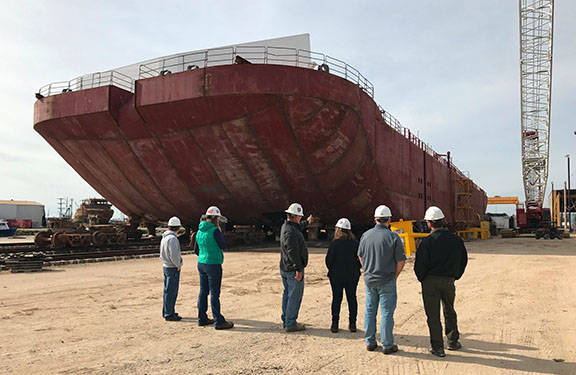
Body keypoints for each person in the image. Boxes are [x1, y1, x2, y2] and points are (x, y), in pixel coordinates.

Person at [414, 206, 468, 358]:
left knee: (433, 315)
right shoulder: (456, 240)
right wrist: (456, 276)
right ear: (443, 221)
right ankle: (452, 341)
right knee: (449, 310)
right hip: (448, 280)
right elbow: (463, 260)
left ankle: (437, 348)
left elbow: (419, 265)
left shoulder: (427, 242)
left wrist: (423, 279)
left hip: (430, 282)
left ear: (429, 223)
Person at [358, 205, 406, 354]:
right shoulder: (393, 237)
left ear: (375, 219)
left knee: (370, 310)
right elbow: (401, 261)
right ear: (389, 220)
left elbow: (360, 256)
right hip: (387, 280)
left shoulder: (365, 235)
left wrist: (368, 269)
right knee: (386, 313)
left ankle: (370, 342)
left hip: (369, 279)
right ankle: (387, 345)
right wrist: (395, 276)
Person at [195, 206, 234, 330]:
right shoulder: (215, 231)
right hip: (213, 264)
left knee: (203, 291)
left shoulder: (199, 231)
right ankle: (219, 321)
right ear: (217, 218)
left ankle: (202, 318)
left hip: (201, 263)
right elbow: (223, 245)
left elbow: (196, 250)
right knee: (214, 293)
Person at [325, 218, 361, 333]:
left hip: (336, 276)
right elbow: (360, 260)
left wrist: (333, 270)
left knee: (336, 299)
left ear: (338, 230)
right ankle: (352, 324)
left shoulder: (334, 244)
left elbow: (328, 261)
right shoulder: (356, 243)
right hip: (352, 276)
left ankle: (335, 324)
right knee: (352, 298)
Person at [280, 203, 309, 332]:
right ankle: (291, 323)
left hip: (285, 267)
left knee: (287, 293)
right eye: (299, 217)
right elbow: (292, 251)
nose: (300, 219)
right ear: (296, 216)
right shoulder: (290, 232)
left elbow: (297, 228)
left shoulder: (287, 227)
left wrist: (306, 223)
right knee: (294, 296)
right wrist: (298, 269)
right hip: (292, 269)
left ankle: (286, 319)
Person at [160, 216, 183, 321]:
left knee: (167, 291)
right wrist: (178, 265)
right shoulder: (173, 239)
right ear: (177, 228)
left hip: (165, 266)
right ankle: (169, 314)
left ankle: (166, 311)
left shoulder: (164, 237)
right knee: (172, 292)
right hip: (172, 268)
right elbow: (174, 255)